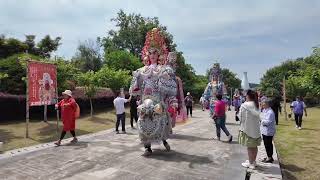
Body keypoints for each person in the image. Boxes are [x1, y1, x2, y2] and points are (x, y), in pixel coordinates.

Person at [129, 28, 177, 156]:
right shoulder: (142, 70)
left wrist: (172, 101)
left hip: (157, 100)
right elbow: (135, 88)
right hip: (145, 100)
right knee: (144, 121)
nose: (153, 55)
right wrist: (135, 79)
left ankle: (164, 140)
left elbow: (170, 87)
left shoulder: (163, 69)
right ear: (147, 55)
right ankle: (147, 147)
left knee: (159, 121)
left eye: (155, 53)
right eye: (150, 53)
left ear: (159, 55)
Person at [238, 90, 261, 169]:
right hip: (256, 129)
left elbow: (240, 118)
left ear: (248, 96)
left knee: (249, 147)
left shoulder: (244, 105)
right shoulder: (257, 104)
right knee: (254, 146)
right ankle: (253, 161)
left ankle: (251, 163)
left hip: (247, 129)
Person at [260, 98, 276, 163]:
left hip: (268, 131)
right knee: (266, 144)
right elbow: (261, 116)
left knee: (268, 144)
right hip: (264, 130)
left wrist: (261, 120)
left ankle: (270, 157)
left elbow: (268, 122)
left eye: (263, 103)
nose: (262, 104)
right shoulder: (265, 110)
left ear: (267, 104)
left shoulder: (270, 112)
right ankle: (269, 156)